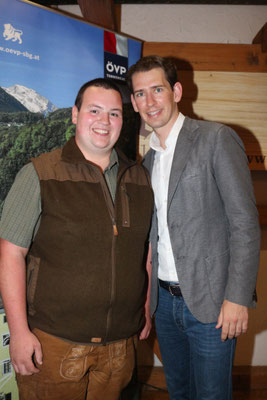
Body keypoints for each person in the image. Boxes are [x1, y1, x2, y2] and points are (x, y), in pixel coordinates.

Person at [0, 78, 154, 400]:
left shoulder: (139, 178)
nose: (104, 121)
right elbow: (10, 254)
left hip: (119, 348)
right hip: (53, 345)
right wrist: (18, 332)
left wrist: (146, 309)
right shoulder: (39, 174)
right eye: (94, 110)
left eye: (114, 114)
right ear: (74, 114)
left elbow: (146, 253)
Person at [126, 56, 261, 400]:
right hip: (165, 306)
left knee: (213, 395)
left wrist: (236, 297)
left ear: (176, 91)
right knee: (179, 392)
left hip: (213, 304)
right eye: (140, 94)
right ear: (133, 102)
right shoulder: (149, 160)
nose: (150, 101)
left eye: (157, 90)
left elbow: (244, 224)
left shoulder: (216, 139)